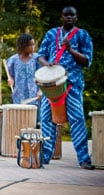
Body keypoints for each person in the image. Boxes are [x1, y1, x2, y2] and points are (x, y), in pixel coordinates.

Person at [37, 6, 94, 169]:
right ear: (61, 17)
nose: (69, 18)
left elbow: (87, 61)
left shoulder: (83, 35)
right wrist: (48, 64)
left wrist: (70, 50)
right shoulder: (51, 34)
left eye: (72, 15)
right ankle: (45, 156)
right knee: (47, 119)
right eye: (66, 15)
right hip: (51, 84)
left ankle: (83, 159)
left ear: (76, 18)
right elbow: (40, 55)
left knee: (77, 119)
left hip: (73, 84)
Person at [6, 33, 42, 127]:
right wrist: (11, 80)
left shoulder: (37, 58)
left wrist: (41, 90)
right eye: (30, 45)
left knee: (36, 123)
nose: (32, 47)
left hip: (35, 96)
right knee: (19, 122)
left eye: (33, 44)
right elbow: (11, 75)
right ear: (23, 46)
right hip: (19, 96)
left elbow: (42, 76)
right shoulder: (13, 59)